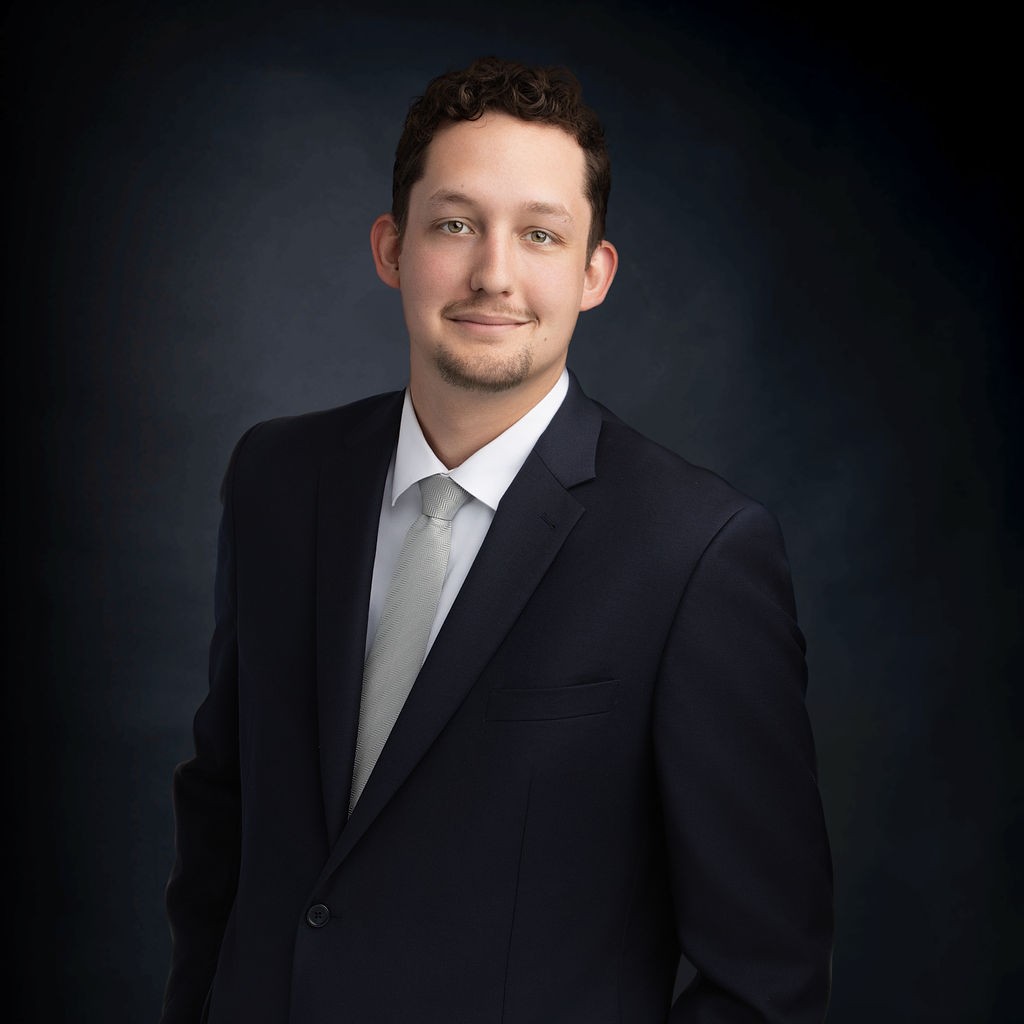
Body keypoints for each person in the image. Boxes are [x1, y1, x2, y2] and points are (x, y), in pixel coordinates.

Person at [161, 57, 833, 1024]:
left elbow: (765, 981)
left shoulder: (697, 552)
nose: (494, 275)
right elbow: (221, 823)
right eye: (455, 224)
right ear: (392, 247)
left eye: (540, 234)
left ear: (594, 273)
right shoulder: (275, 478)